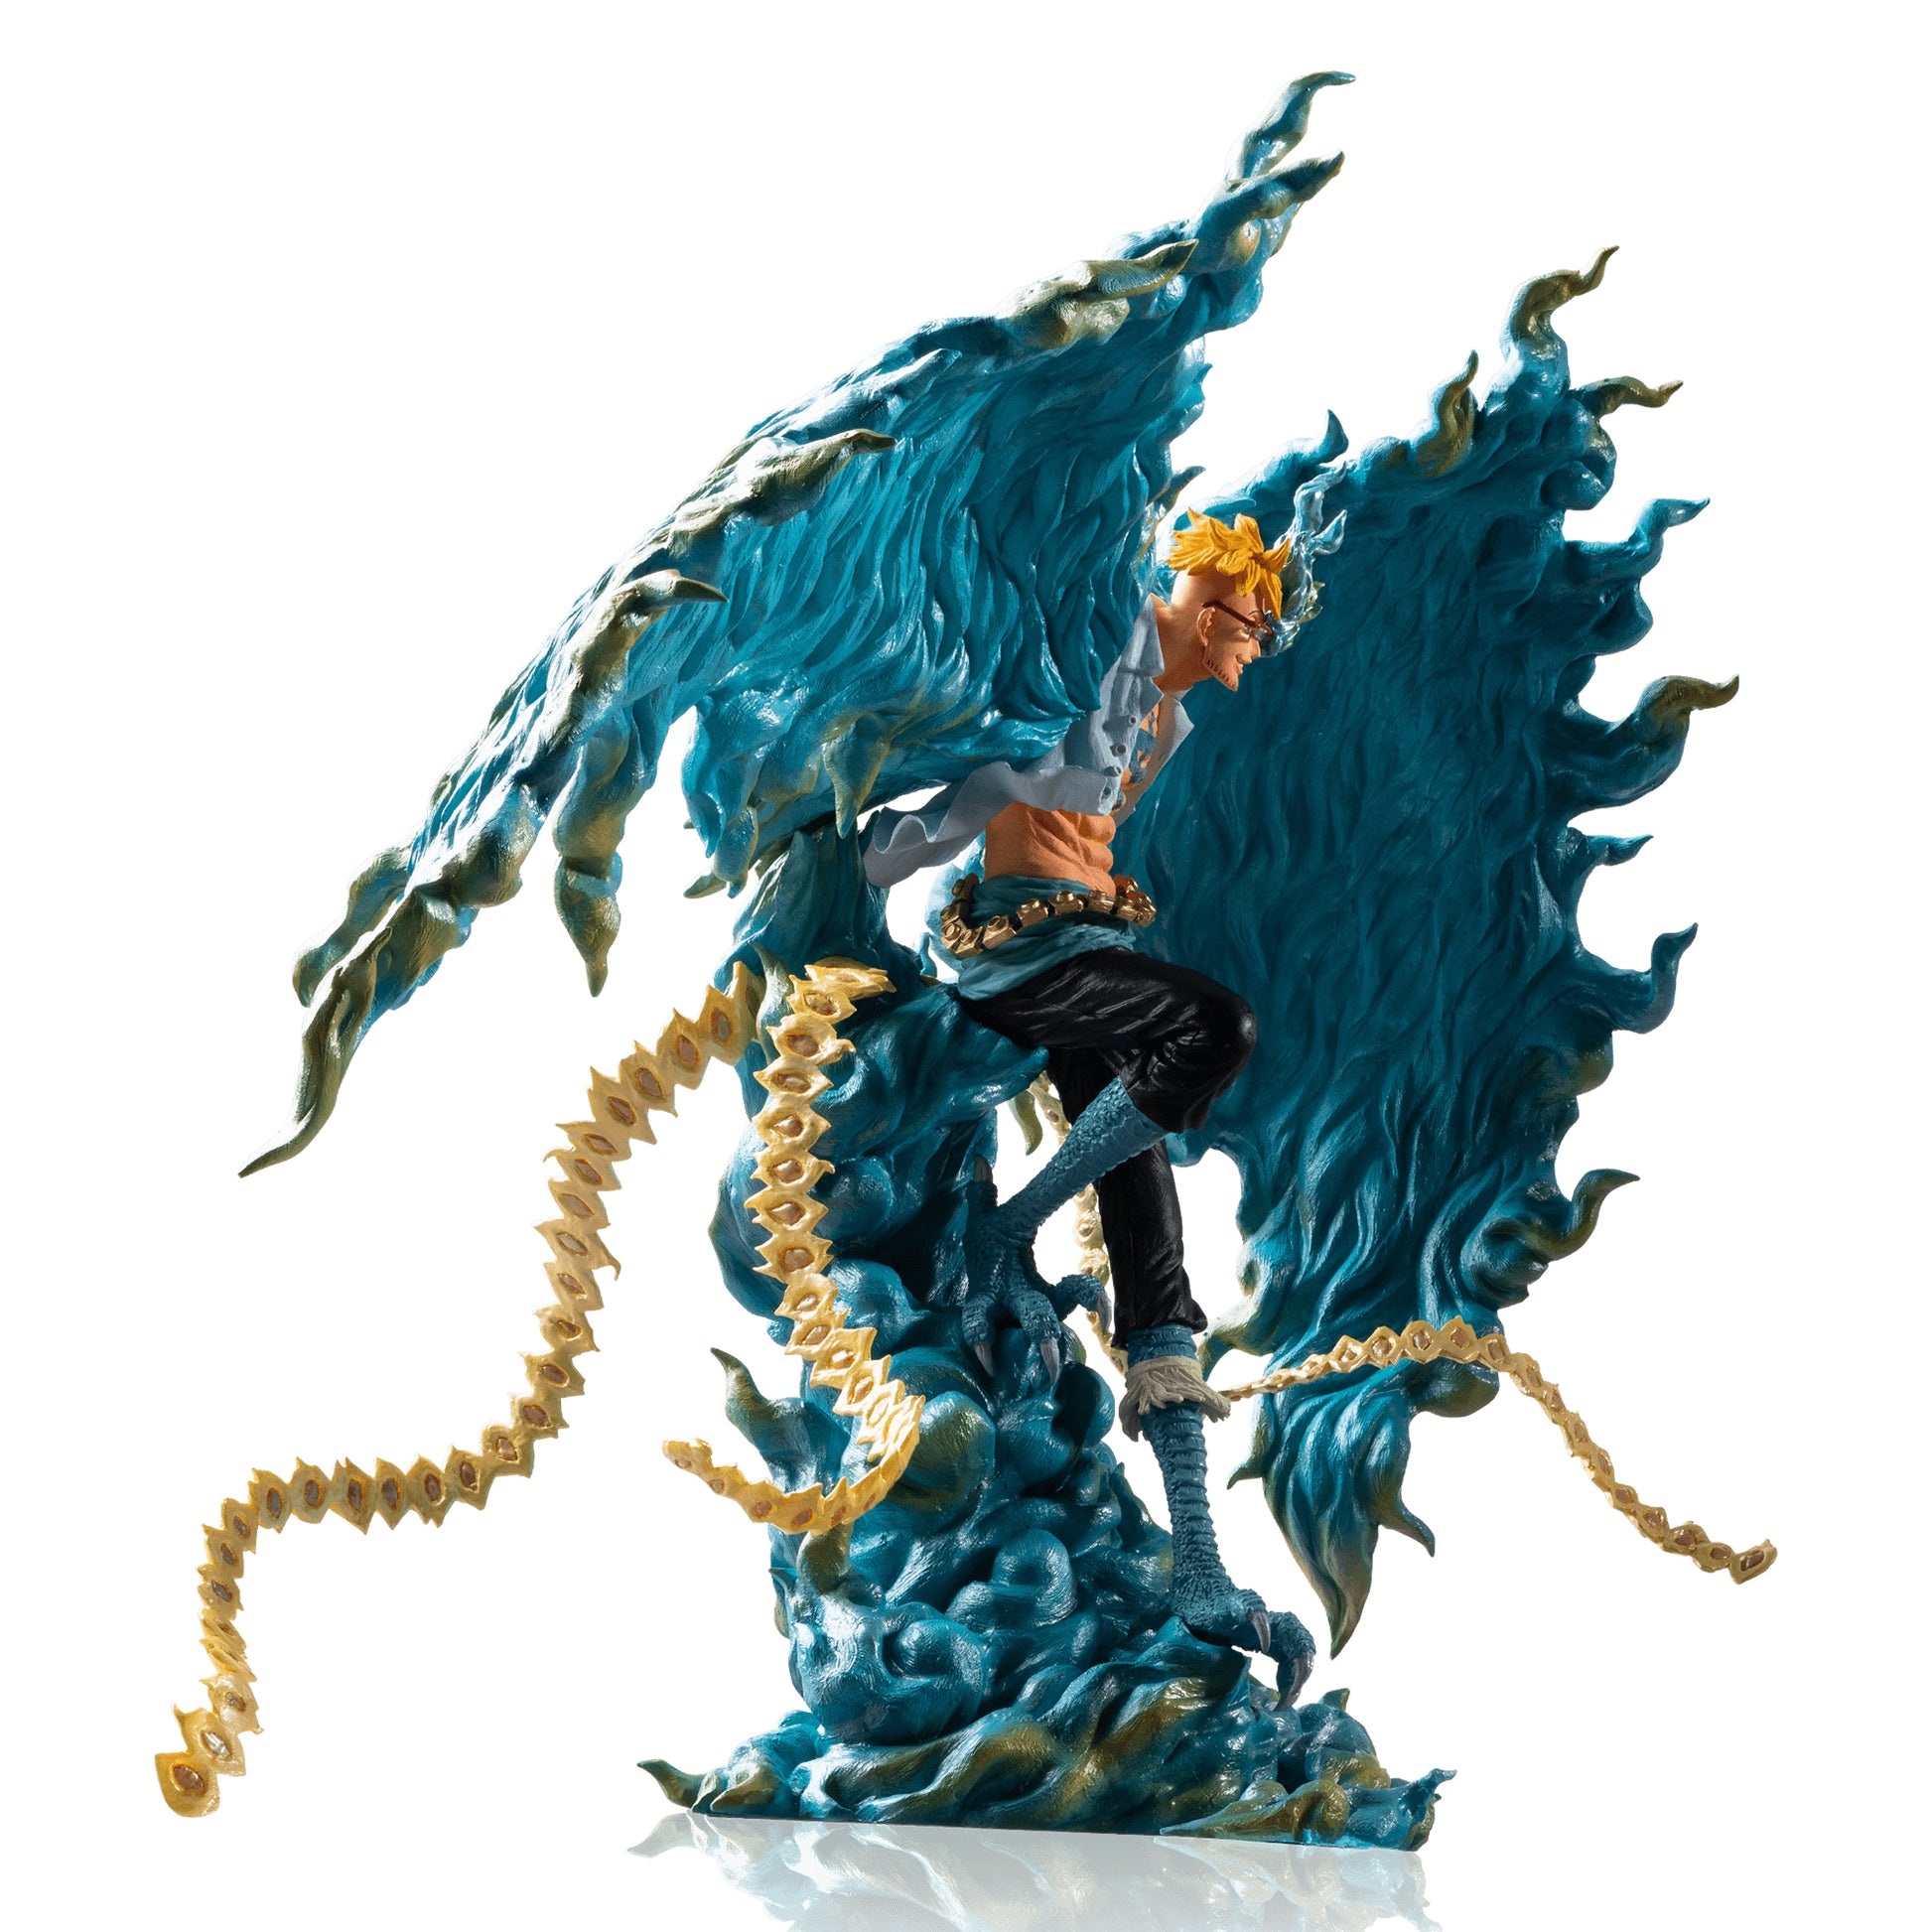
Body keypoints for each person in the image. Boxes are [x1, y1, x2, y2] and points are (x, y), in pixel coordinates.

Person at [863, 512, 1314, 1672]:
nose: (1256, 648)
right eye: (1254, 627)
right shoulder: (1096, 636)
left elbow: (1081, 813)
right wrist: (880, 846)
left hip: (1086, 948)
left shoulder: (1164, 709)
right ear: (1211, 607)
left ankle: (1199, 1567)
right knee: (1211, 1027)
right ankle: (1010, 1223)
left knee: (1147, 1219)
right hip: (1015, 956)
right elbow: (997, 768)